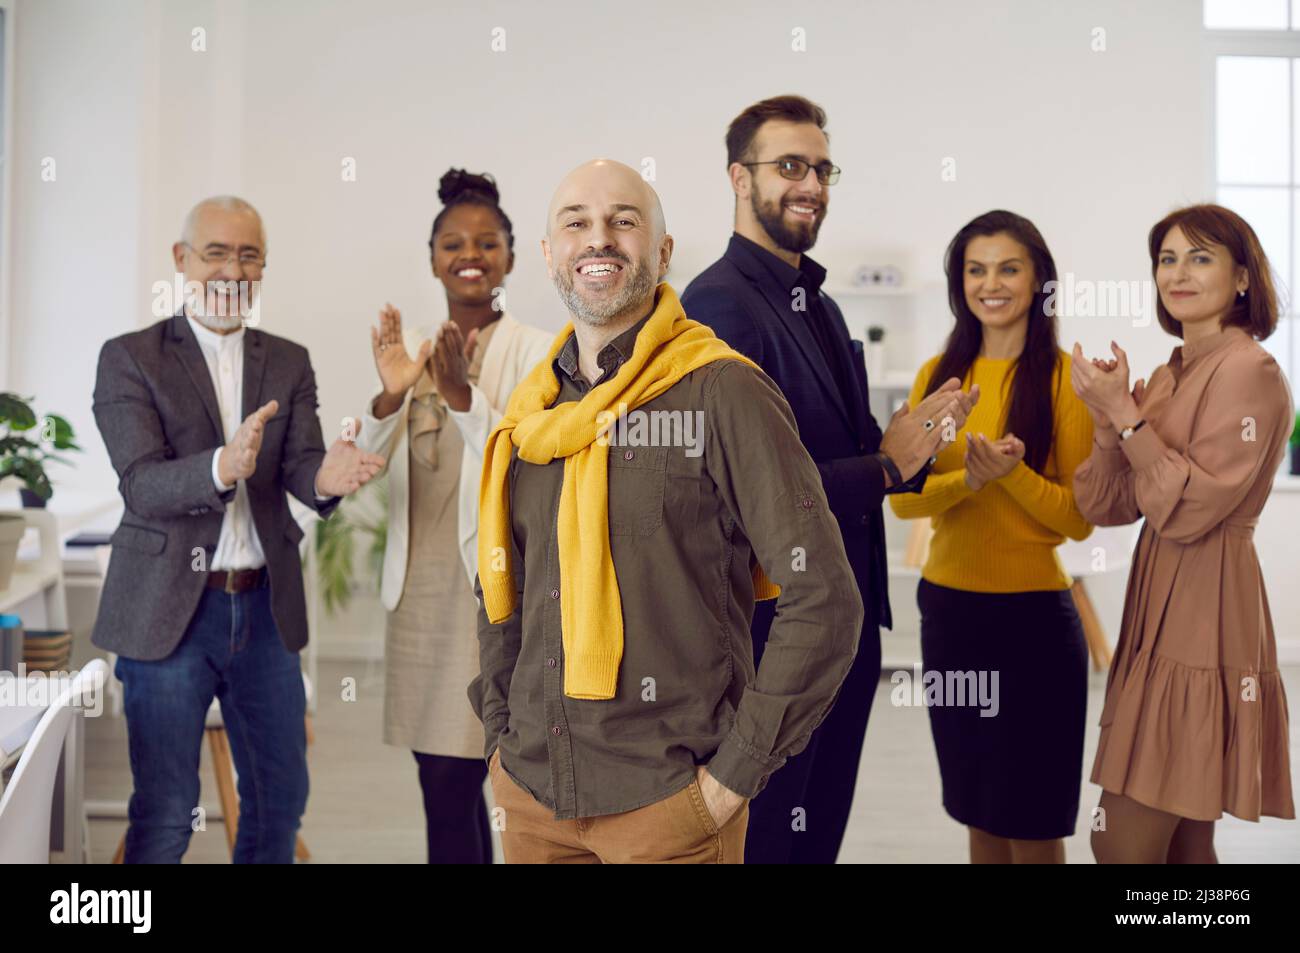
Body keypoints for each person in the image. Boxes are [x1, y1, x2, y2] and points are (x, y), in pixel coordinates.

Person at [469, 158, 865, 864]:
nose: (600, 239)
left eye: (625, 221)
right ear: (548, 252)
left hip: (669, 805)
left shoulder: (723, 392)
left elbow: (825, 596)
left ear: (663, 251)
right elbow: (503, 587)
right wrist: (501, 733)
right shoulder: (530, 415)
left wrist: (729, 780)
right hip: (534, 796)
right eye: (577, 223)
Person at [681, 94, 977, 863]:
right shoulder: (717, 304)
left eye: (820, 167)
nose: (809, 183)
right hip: (770, 634)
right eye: (788, 166)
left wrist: (910, 446)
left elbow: (834, 453)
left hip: (845, 625)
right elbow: (731, 487)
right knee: (770, 841)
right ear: (739, 179)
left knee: (816, 840)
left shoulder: (818, 301)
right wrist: (884, 464)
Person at [92, 196, 384, 863]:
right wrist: (224, 465)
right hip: (168, 612)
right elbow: (141, 482)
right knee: (166, 813)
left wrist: (325, 480)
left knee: (279, 802)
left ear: (263, 267)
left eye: (249, 255)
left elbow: (302, 465)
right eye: (216, 251)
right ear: (182, 260)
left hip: (263, 609)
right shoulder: (131, 358)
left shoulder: (287, 358)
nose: (233, 268)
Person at [1072, 203, 1296, 863]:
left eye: (1200, 257)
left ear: (1244, 276)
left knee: (1118, 843)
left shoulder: (1249, 370)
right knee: (1185, 844)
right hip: (1161, 595)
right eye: (1167, 258)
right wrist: (1108, 422)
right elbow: (1108, 504)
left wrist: (1129, 420)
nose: (1178, 272)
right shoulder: (1172, 371)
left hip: (1205, 602)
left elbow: (1192, 509)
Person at [355, 169, 551, 863]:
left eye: (487, 242)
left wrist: (464, 397)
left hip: (490, 590)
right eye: (453, 243)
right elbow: (361, 464)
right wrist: (387, 398)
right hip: (418, 591)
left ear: (511, 257)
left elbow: (532, 460)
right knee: (437, 779)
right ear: (433, 256)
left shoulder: (536, 350)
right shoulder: (405, 344)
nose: (470, 254)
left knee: (469, 772)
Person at [888, 210, 1094, 863]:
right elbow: (903, 502)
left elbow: (1078, 518)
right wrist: (969, 484)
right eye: (976, 269)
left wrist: (1010, 477)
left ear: (1038, 279)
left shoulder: (1065, 380)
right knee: (978, 812)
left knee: (1031, 822)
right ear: (960, 282)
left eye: (1009, 267)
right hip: (951, 614)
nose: (991, 283)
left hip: (1034, 623)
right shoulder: (935, 376)